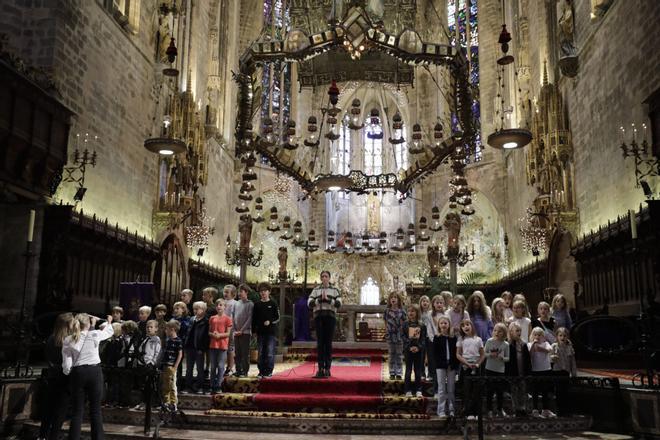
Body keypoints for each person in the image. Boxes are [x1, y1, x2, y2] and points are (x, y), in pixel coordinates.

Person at [62, 313, 114, 440]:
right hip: (94, 372)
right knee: (95, 410)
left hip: (78, 373)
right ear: (89, 323)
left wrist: (70, 372)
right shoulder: (94, 334)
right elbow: (109, 331)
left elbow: (67, 365)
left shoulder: (68, 339)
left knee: (77, 411)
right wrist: (108, 321)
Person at [39, 313, 74, 440]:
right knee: (60, 410)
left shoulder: (50, 338)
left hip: (52, 377)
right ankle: (53, 436)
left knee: (48, 408)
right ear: (68, 324)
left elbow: (48, 357)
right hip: (65, 378)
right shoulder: (69, 341)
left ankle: (42, 436)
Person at [308, 270, 342, 378]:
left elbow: (339, 304)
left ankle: (327, 368)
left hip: (330, 318)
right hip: (319, 318)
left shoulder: (335, 290)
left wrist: (328, 300)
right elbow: (309, 303)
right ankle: (320, 368)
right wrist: (319, 300)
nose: (324, 278)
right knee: (320, 344)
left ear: (329, 278)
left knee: (328, 343)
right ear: (320, 278)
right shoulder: (316, 289)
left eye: (326, 276)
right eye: (322, 276)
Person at [456, 319, 484, 421]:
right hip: (465, 366)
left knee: (476, 390)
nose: (465, 327)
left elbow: (482, 354)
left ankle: (477, 412)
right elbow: (458, 354)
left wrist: (477, 364)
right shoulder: (461, 340)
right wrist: (467, 363)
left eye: (467, 325)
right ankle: (468, 413)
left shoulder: (478, 339)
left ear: (471, 326)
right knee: (467, 390)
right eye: (463, 326)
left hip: (476, 366)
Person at [252, 282, 280, 378]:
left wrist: (270, 321)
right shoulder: (257, 305)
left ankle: (269, 371)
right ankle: (261, 371)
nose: (263, 293)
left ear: (269, 292)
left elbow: (277, 317)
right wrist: (254, 331)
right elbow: (254, 319)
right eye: (261, 291)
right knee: (260, 353)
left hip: (271, 332)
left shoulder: (273, 303)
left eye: (265, 291)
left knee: (269, 352)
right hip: (260, 332)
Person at [433, 315, 458, 418]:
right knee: (442, 388)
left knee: (451, 388)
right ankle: (441, 410)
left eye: (445, 323)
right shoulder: (437, 338)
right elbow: (435, 354)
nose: (443, 325)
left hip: (451, 366)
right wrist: (443, 364)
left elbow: (456, 353)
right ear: (439, 325)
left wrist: (453, 365)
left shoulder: (453, 338)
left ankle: (452, 409)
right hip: (441, 366)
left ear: (449, 325)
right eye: (441, 323)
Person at [528, 327, 556, 418]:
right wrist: (534, 345)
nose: (537, 337)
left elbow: (549, 350)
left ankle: (545, 410)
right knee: (535, 391)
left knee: (545, 391)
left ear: (543, 336)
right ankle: (535, 410)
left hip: (545, 369)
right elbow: (530, 354)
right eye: (535, 335)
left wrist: (539, 348)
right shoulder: (529, 344)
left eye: (539, 335)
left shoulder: (546, 343)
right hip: (535, 370)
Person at [484, 323, 510, 418]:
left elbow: (508, 358)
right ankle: (489, 410)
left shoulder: (506, 344)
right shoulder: (489, 341)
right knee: (489, 391)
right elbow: (484, 354)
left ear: (504, 333)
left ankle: (499, 409)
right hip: (489, 369)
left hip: (500, 370)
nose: (497, 333)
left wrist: (502, 358)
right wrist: (491, 355)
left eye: (499, 331)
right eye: (495, 330)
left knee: (500, 391)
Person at [505, 321, 531, 417]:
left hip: (522, 372)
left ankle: (522, 408)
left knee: (523, 390)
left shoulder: (523, 344)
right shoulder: (508, 344)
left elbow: (528, 360)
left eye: (520, 331)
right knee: (514, 391)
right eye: (517, 331)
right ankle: (516, 409)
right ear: (511, 332)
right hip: (513, 373)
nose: (519, 333)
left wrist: (528, 372)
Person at [184, 301, 209, 393]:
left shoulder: (206, 321)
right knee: (189, 368)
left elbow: (206, 337)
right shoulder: (191, 319)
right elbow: (188, 333)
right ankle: (188, 386)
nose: (195, 311)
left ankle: (200, 386)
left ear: (203, 310)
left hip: (199, 348)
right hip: (190, 347)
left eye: (197, 309)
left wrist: (202, 348)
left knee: (199, 368)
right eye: (194, 309)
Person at [209, 299, 232, 393]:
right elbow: (209, 331)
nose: (219, 306)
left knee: (220, 366)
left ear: (225, 307)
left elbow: (228, 333)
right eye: (217, 305)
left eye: (221, 305)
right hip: (213, 345)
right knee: (213, 366)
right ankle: (212, 385)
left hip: (222, 345)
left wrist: (219, 335)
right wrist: (213, 334)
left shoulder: (228, 319)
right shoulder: (212, 318)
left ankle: (218, 385)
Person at [551, 327, 576, 416]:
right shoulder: (554, 346)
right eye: (560, 335)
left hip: (566, 371)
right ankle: (559, 411)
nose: (562, 337)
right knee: (558, 392)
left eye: (564, 336)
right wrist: (552, 358)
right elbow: (549, 358)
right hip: (557, 371)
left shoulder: (569, 347)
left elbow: (572, 361)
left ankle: (566, 410)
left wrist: (574, 373)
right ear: (557, 336)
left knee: (565, 391)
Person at [403, 304, 426, 397]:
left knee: (418, 370)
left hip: (418, 351)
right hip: (408, 350)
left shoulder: (421, 324)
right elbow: (403, 337)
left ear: (417, 313)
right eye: (409, 311)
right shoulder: (405, 324)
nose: (410, 313)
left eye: (413, 311)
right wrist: (409, 347)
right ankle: (407, 390)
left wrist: (418, 347)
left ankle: (418, 390)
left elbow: (423, 338)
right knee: (408, 370)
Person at [160, 320, 183, 411]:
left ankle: (173, 403)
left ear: (172, 329)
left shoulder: (178, 341)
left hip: (171, 366)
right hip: (165, 365)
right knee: (165, 385)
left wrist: (175, 367)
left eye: (167, 329)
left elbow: (180, 354)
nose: (166, 331)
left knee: (172, 385)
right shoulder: (168, 340)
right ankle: (166, 402)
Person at [384, 291, 406, 380]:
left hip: (399, 335)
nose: (393, 299)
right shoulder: (387, 311)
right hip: (390, 335)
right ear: (389, 300)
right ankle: (392, 372)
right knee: (391, 354)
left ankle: (399, 372)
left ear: (399, 300)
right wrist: (387, 331)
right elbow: (385, 322)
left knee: (399, 354)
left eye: (395, 297)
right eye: (392, 297)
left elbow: (404, 323)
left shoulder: (402, 311)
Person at [233, 284, 254, 377]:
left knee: (245, 353)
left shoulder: (250, 304)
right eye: (238, 292)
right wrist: (235, 329)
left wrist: (241, 330)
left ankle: (244, 371)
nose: (239, 294)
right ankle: (238, 370)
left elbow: (250, 318)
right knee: (237, 353)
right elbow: (233, 317)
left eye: (241, 292)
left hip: (245, 333)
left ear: (246, 292)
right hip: (236, 332)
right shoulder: (236, 303)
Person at [223, 284, 238, 376]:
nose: (225, 294)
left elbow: (235, 316)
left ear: (233, 293)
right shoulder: (222, 302)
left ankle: (230, 367)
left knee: (230, 348)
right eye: (224, 292)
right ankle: (222, 366)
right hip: (221, 328)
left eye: (227, 292)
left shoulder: (235, 303)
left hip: (231, 328)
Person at [418, 295, 432, 381]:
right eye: (423, 301)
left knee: (430, 355)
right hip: (420, 336)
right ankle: (421, 373)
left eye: (427, 301)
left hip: (429, 336)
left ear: (429, 303)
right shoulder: (418, 313)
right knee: (421, 355)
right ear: (420, 303)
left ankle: (430, 373)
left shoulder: (431, 313)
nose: (425, 302)